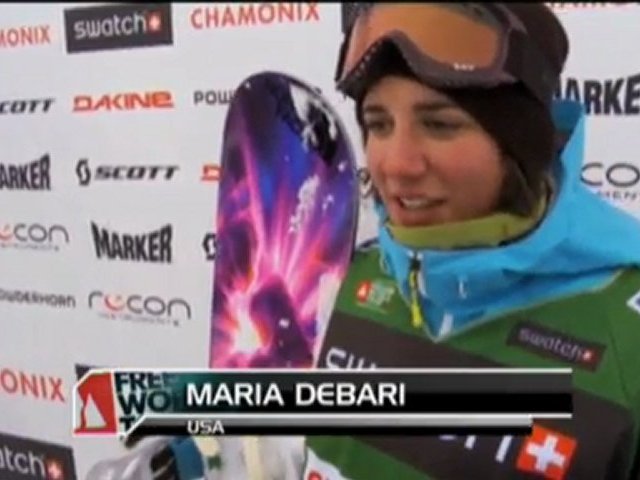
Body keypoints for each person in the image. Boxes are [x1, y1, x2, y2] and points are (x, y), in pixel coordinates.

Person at [301, 3, 640, 480]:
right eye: (378, 124)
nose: (396, 164)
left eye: (440, 124)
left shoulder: (625, 331)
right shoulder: (342, 278)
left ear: (518, 145)